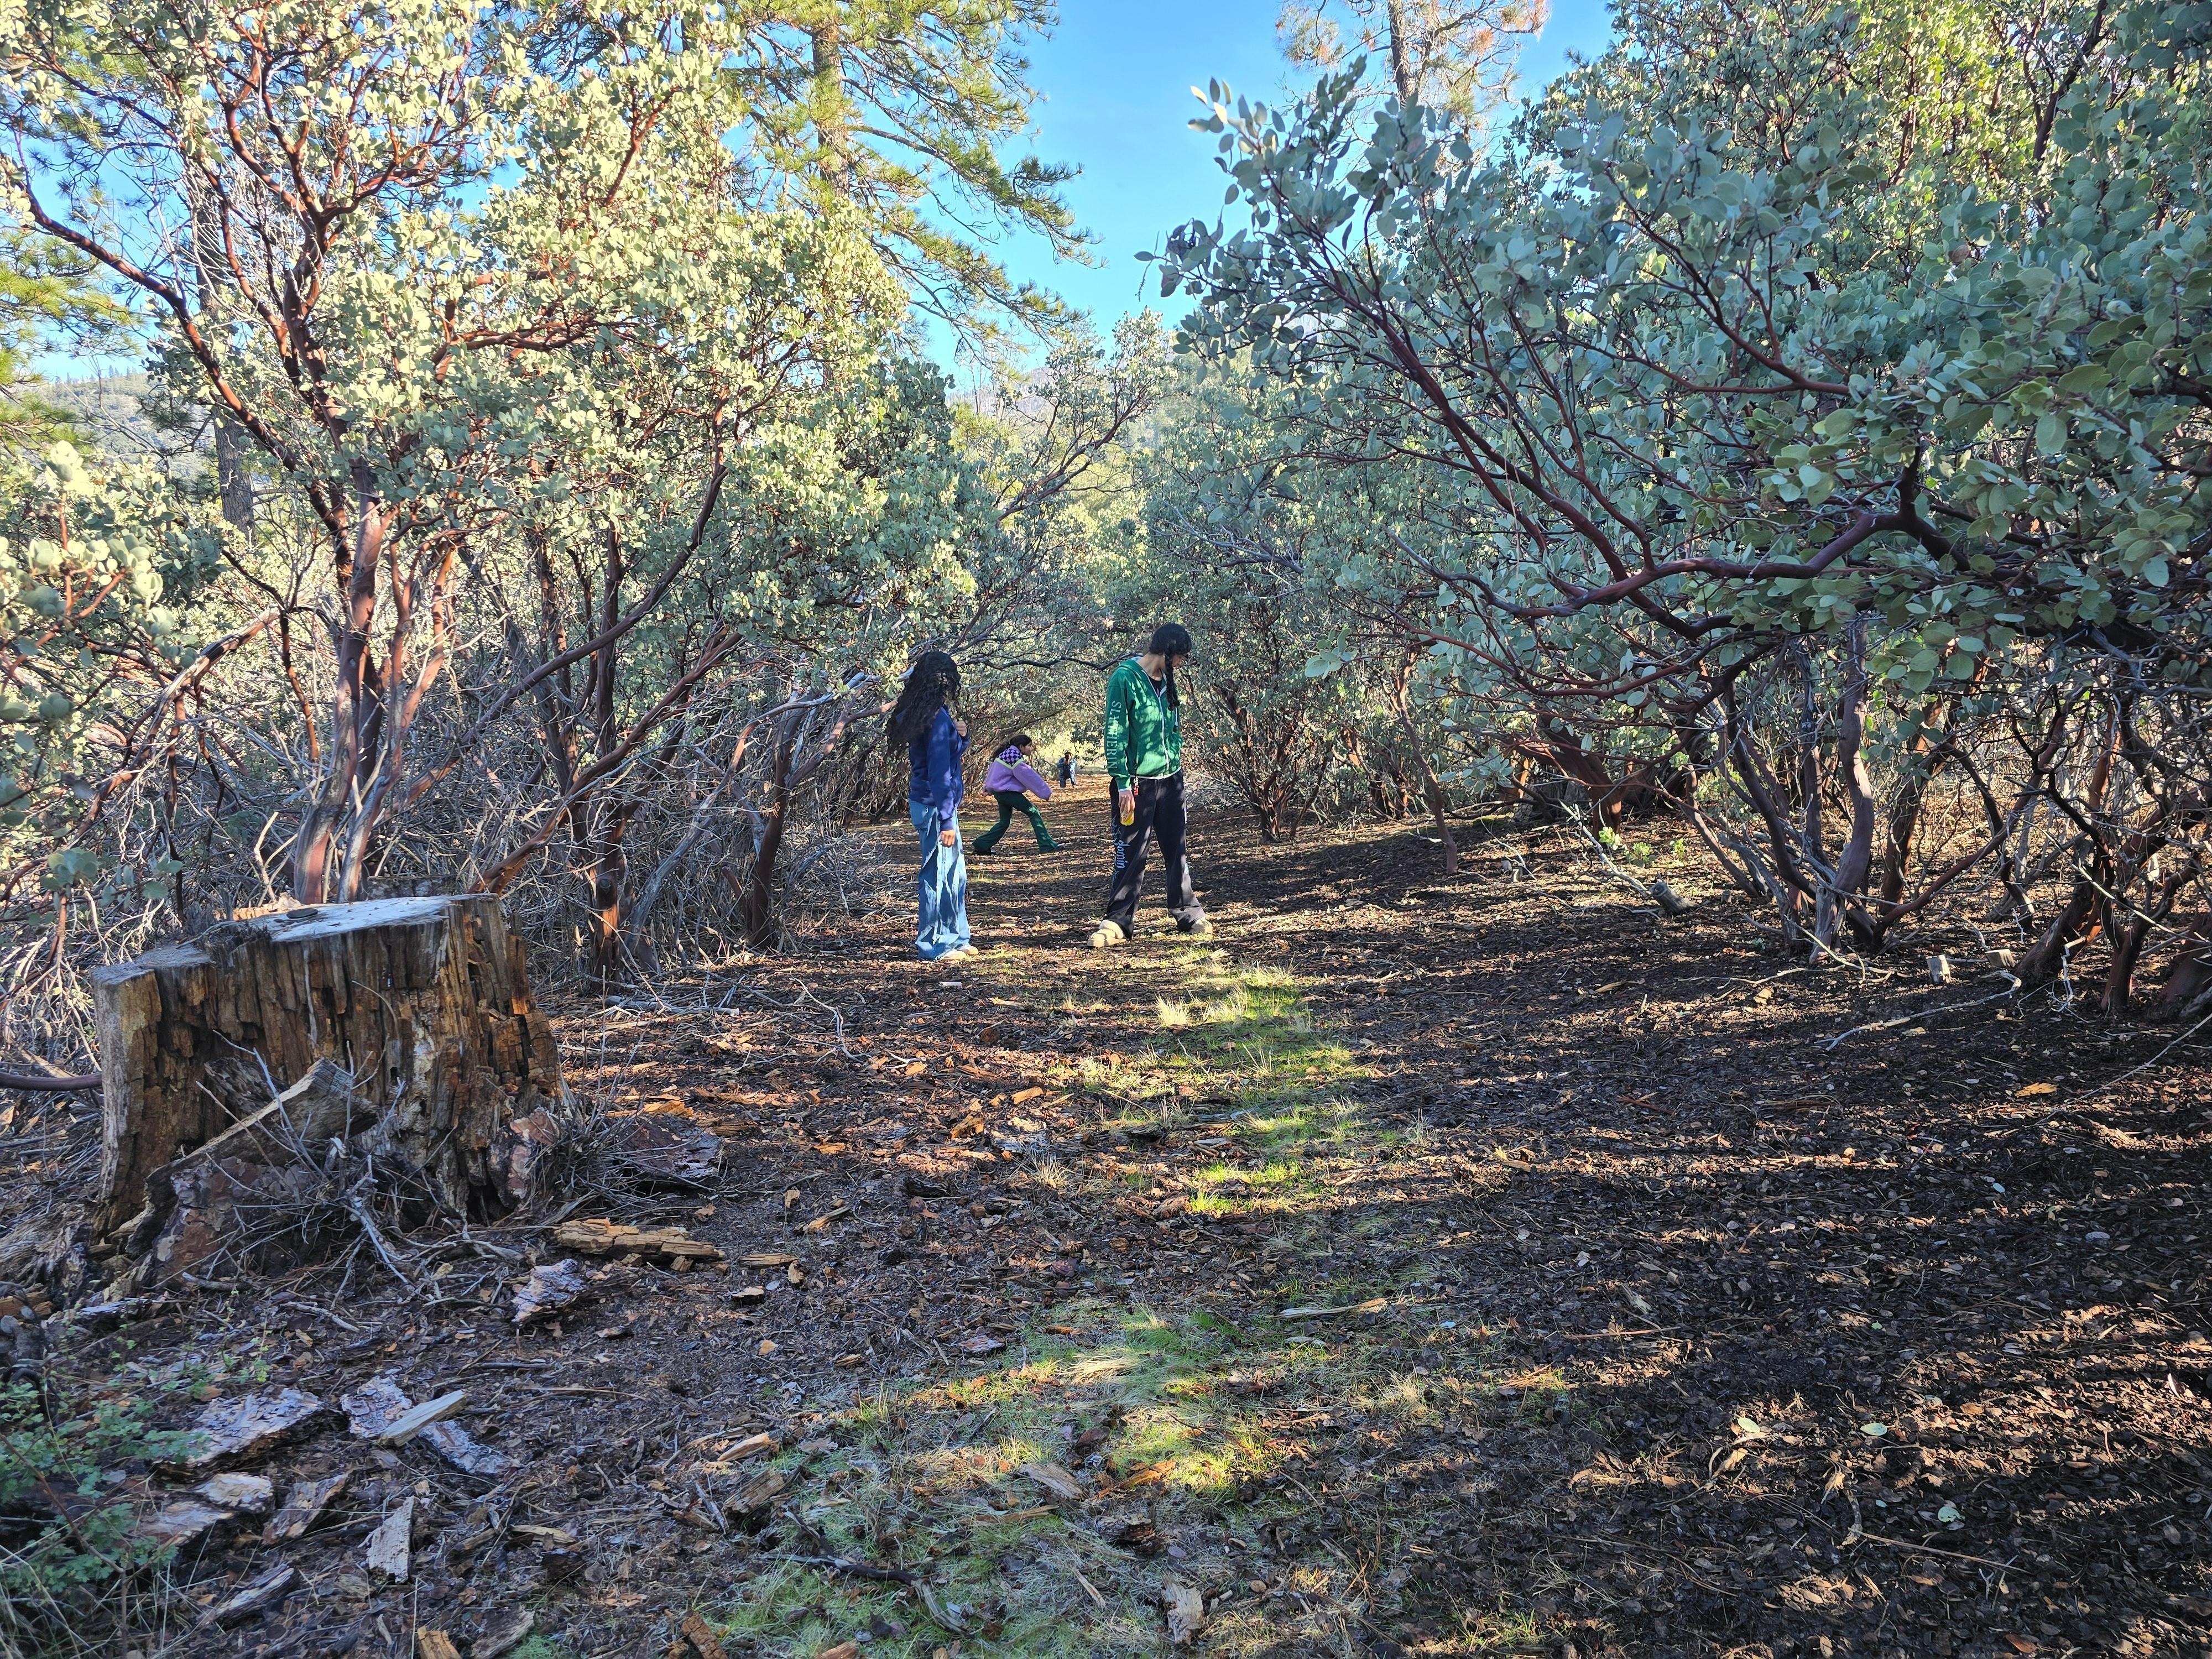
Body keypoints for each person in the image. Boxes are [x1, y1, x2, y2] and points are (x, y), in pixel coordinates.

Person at [1091, 623, 1208, 947]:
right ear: (1167, 653)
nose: (1183, 662)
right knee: (1131, 852)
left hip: (1171, 781)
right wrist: (1123, 782)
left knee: (1176, 847)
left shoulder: (1167, 681)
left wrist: (1175, 753)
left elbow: (1172, 728)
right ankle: (1117, 922)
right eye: (1181, 656)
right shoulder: (1124, 678)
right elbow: (1115, 731)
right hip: (1135, 785)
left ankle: (1188, 912)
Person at [886, 650, 974, 962]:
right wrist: (948, 820)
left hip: (937, 804)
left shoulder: (927, 713)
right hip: (936, 806)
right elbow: (940, 773)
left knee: (955, 874)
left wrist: (962, 737)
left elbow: (948, 756)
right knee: (937, 875)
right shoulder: (935, 716)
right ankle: (935, 944)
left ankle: (957, 937)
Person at [972, 734, 1061, 855]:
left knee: (1005, 822)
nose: (1031, 749)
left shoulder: (1005, 754)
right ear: (1021, 746)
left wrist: (988, 788)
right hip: (1007, 793)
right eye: (1029, 746)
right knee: (1034, 812)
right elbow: (1029, 777)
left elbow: (994, 773)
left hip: (1000, 793)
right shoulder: (1014, 757)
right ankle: (1047, 845)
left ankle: (982, 845)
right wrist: (1045, 793)